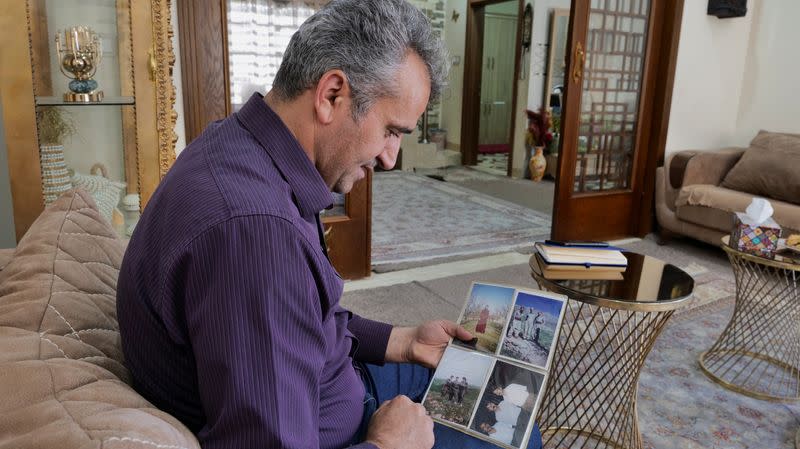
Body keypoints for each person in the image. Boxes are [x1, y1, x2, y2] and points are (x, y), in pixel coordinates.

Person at [116, 1, 541, 448]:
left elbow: (303, 317)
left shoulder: (243, 148)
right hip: (346, 426)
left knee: (497, 396)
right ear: (332, 94)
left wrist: (402, 340)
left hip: (334, 381)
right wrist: (387, 444)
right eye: (392, 131)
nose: (390, 158)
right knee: (517, 430)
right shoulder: (257, 236)